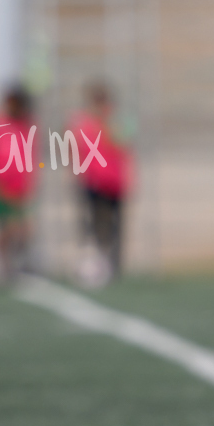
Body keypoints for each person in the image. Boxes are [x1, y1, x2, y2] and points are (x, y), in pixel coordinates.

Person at [68, 80, 131, 284]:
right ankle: (94, 263)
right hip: (92, 182)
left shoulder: (115, 121)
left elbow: (122, 143)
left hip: (114, 182)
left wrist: (107, 124)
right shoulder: (83, 122)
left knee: (113, 226)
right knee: (93, 225)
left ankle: (112, 265)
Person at [0, 86, 38, 279]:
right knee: (4, 229)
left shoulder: (26, 126)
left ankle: (11, 265)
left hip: (18, 188)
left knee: (20, 229)